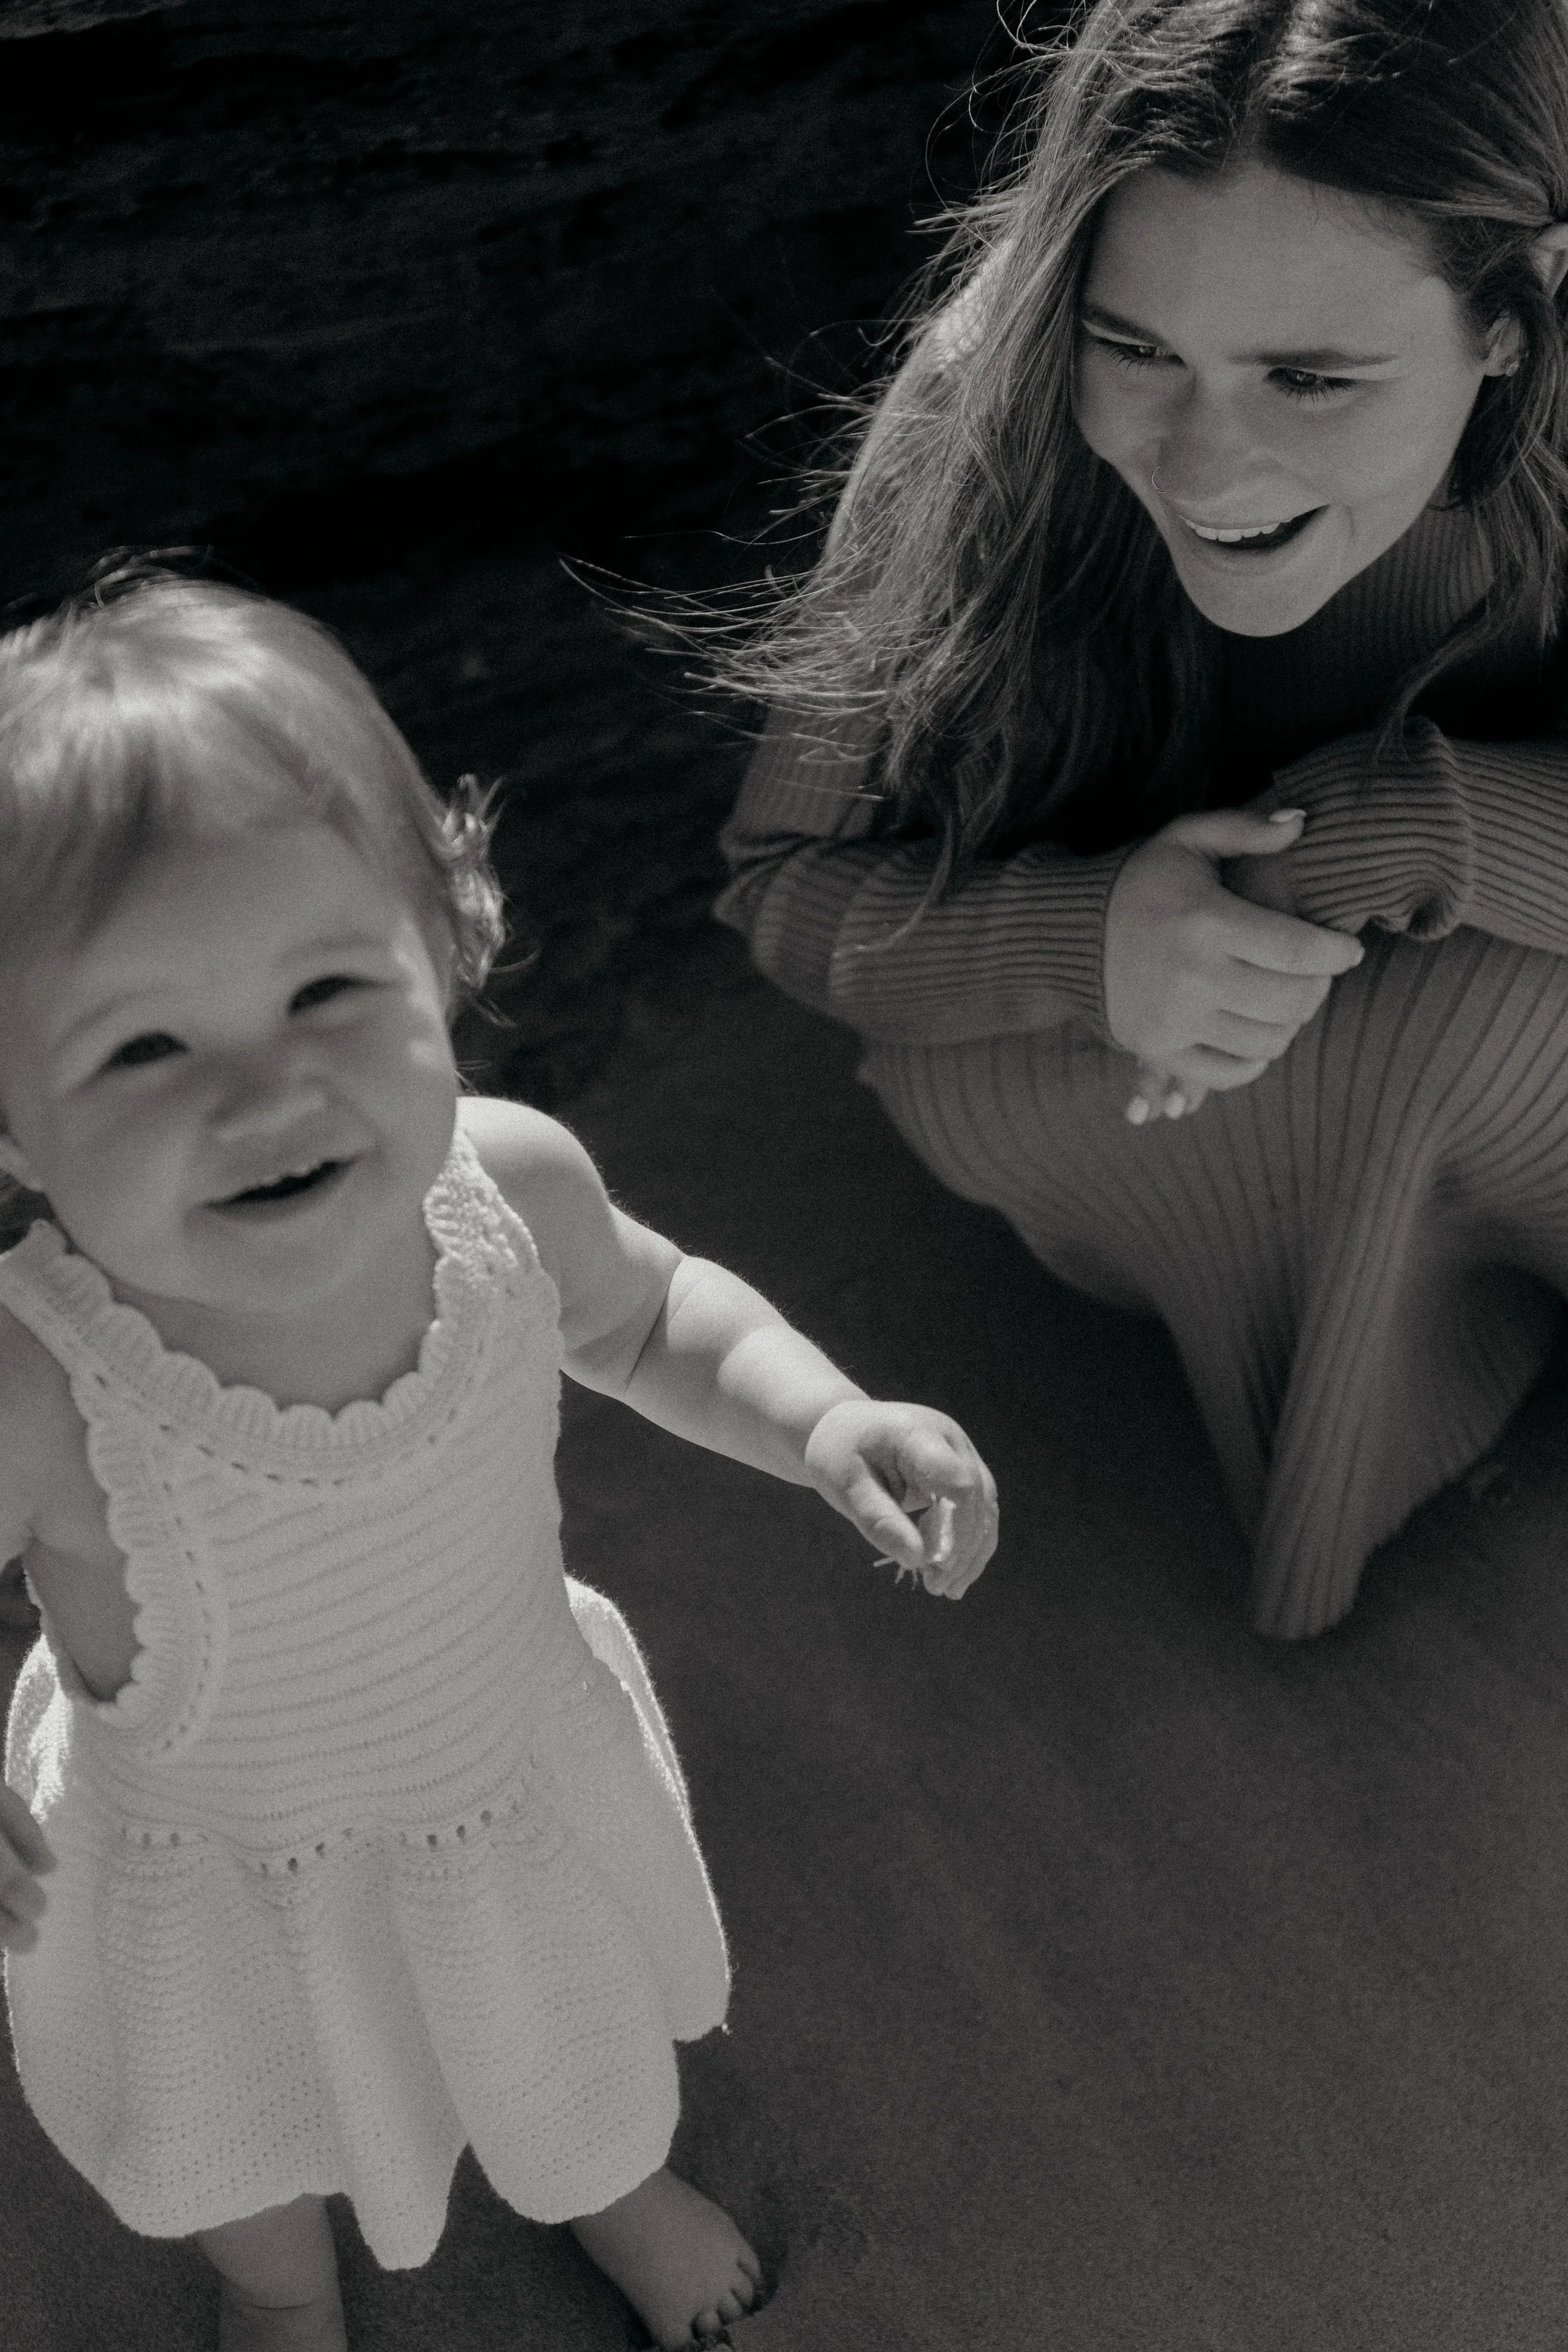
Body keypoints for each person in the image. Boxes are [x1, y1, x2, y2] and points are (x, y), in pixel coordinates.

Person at [0, 568, 999, 2352]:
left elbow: (651, 1317)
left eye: (329, 986)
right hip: (205, 1869)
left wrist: (822, 1417)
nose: (267, 1091)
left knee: (569, 2046)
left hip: (489, 1776)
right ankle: (283, 2296)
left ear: (445, 942)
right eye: (144, 1045)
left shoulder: (507, 1189)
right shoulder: (37, 1374)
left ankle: (607, 2188)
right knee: (238, 2137)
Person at [714, 0, 1568, 1641]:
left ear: (1515, 320)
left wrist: (1407, 823)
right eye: (1133, 349)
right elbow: (783, 884)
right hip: (1107, 1066)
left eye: (1310, 376)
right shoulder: (982, 394)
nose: (1203, 461)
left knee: (1474, 1005)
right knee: (1440, 1024)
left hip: (1497, 960)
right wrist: (1089, 941)